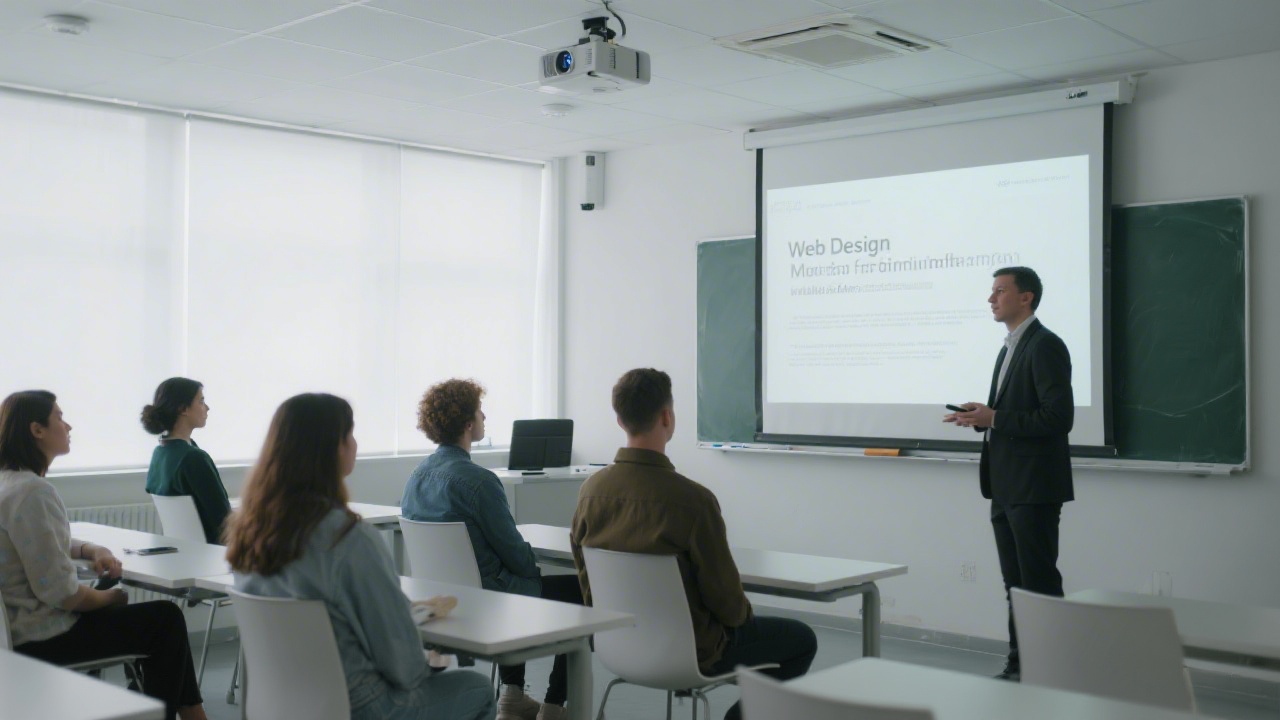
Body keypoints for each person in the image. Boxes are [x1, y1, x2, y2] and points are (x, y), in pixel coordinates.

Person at [226, 392, 493, 720]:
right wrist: (431, 661)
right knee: (477, 688)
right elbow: (403, 667)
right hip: (361, 707)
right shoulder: (348, 537)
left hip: (283, 707)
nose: (354, 443)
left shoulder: (249, 534)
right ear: (330, 450)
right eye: (349, 434)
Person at [570, 368, 817, 720]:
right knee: (802, 640)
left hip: (616, 647)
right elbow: (727, 603)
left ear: (620, 419)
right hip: (695, 654)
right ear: (667, 417)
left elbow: (587, 581)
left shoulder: (589, 493)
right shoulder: (693, 501)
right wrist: (742, 620)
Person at [0, 390, 207, 720]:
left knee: (151, 621)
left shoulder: (8, 484)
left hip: (17, 632)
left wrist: (90, 549)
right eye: (59, 418)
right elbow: (64, 594)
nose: (68, 426)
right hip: (43, 638)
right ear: (37, 430)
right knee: (165, 619)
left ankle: (193, 714)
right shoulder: (33, 492)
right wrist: (112, 597)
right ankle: (185, 715)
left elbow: (41, 540)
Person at [402, 379, 581, 720]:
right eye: (479, 410)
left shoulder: (415, 477)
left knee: (515, 582)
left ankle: (512, 697)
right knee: (581, 592)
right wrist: (533, 570)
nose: (484, 416)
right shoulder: (479, 481)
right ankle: (556, 708)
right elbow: (515, 554)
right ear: (468, 423)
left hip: (445, 603)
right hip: (488, 603)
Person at [944, 266, 1074, 682]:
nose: (991, 299)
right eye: (991, 291)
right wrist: (981, 418)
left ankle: (1051, 667)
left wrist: (996, 417)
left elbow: (1057, 418)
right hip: (1004, 485)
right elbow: (1014, 411)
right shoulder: (1009, 347)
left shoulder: (1045, 345)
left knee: (1037, 585)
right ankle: (1021, 665)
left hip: (1033, 487)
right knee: (1015, 585)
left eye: (1000, 291)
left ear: (1026, 298)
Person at [142, 378, 230, 544]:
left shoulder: (160, 453)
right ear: (183, 409)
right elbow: (223, 519)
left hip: (185, 552)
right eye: (201, 401)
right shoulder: (194, 458)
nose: (207, 408)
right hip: (214, 554)